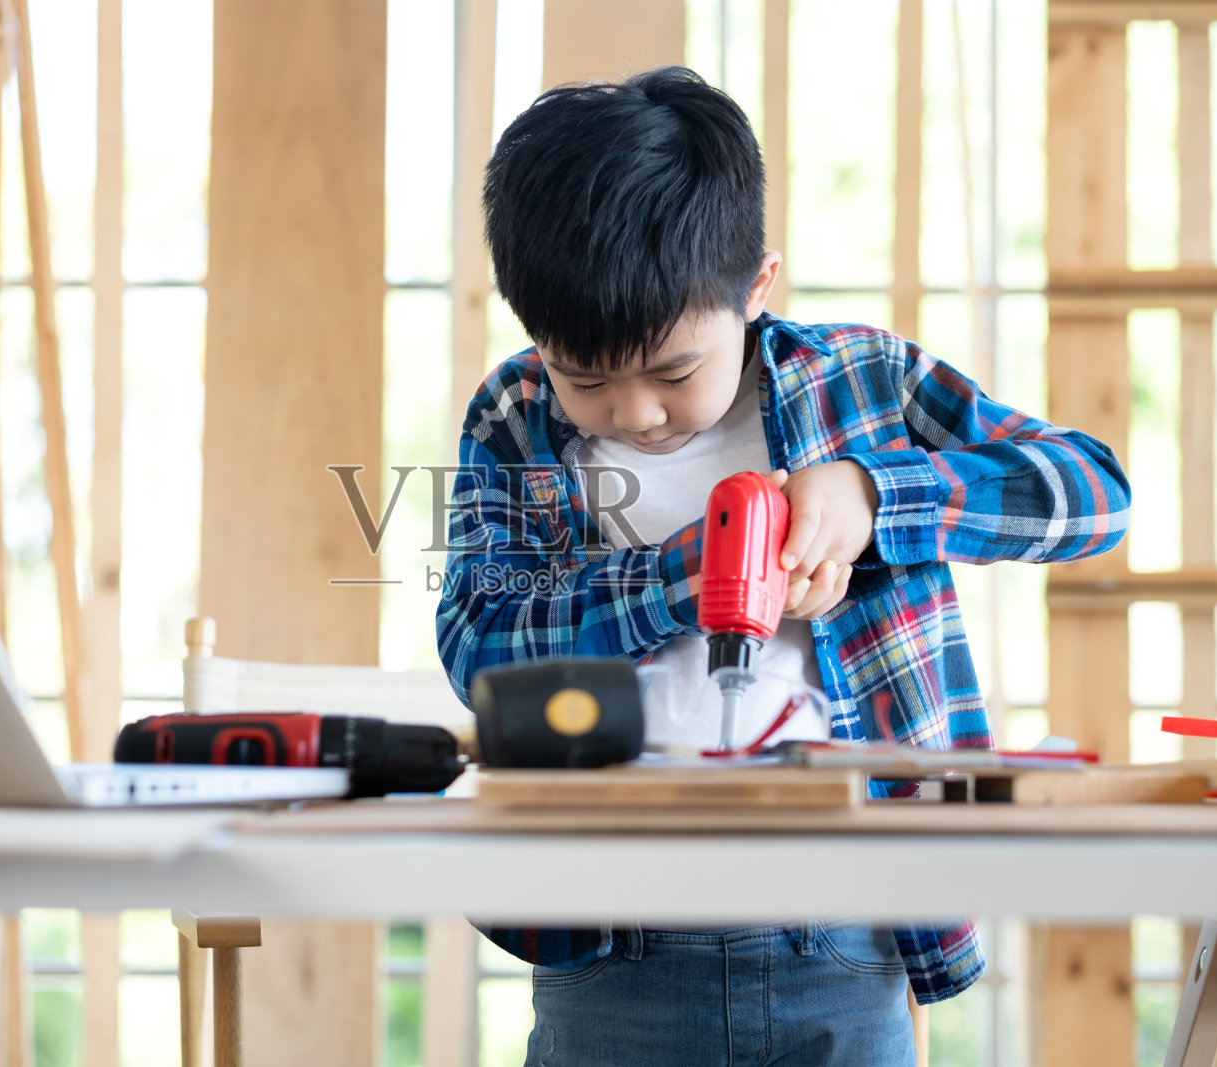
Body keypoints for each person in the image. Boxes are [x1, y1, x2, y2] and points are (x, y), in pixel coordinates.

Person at [433, 66, 1130, 1066]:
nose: (632, 412)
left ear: (755, 288)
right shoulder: (514, 419)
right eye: (583, 375)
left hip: (843, 921)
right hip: (607, 935)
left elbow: (1093, 491)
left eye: (673, 370)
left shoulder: (865, 379)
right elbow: (482, 642)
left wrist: (873, 495)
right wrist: (697, 570)